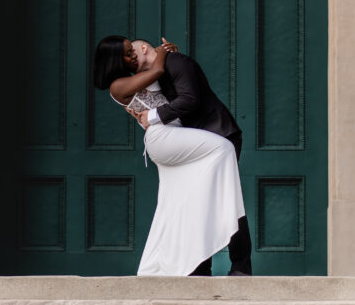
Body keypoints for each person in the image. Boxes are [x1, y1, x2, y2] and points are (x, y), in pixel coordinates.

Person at [93, 36, 247, 277]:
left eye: (133, 50)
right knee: (223, 151)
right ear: (114, 59)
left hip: (189, 134)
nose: (132, 54)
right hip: (164, 138)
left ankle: (192, 267)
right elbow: (158, 68)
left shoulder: (162, 67)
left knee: (179, 203)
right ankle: (225, 265)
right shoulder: (120, 85)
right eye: (126, 53)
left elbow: (177, 86)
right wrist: (163, 51)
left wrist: (168, 53)